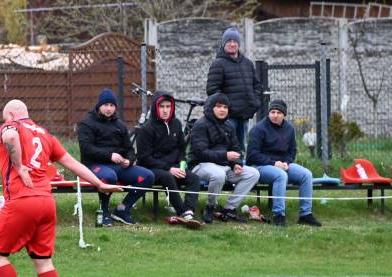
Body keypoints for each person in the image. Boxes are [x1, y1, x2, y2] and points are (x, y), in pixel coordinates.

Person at [0, 99, 121, 277]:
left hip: (22, 200)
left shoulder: (11, 125)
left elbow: (9, 137)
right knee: (43, 261)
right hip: (47, 203)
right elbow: (71, 163)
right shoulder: (45, 135)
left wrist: (18, 166)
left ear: (10, 115)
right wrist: (99, 183)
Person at [76, 89, 155, 226]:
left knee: (148, 176)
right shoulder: (86, 123)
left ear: (115, 107)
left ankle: (122, 209)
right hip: (94, 165)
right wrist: (110, 155)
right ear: (99, 105)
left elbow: (129, 149)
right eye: (105, 105)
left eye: (112, 105)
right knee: (110, 176)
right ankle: (104, 211)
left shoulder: (119, 125)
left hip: (118, 167)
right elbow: (86, 149)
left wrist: (129, 160)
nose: (108, 108)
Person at [246, 99, 322, 227]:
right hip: (260, 166)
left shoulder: (289, 129)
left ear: (284, 114)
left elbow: (292, 151)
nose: (275, 115)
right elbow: (252, 155)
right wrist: (274, 163)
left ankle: (305, 214)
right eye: (272, 112)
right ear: (269, 113)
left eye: (279, 113)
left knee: (306, 175)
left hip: (282, 165)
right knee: (281, 175)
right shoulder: (258, 129)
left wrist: (286, 162)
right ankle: (279, 215)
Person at [187, 92, 260, 224]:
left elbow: (236, 149)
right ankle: (210, 207)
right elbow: (201, 153)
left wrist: (236, 163)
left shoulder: (229, 126)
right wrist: (225, 155)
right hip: (200, 165)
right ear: (211, 107)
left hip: (224, 165)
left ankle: (229, 209)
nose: (222, 110)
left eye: (225, 107)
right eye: (219, 106)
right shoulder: (200, 124)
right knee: (218, 175)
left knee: (253, 174)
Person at [134, 91, 202, 228]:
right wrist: (169, 168)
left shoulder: (176, 124)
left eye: (168, 106)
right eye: (162, 106)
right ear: (155, 107)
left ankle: (189, 210)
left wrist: (182, 165)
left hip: (173, 167)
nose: (165, 110)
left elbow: (182, 150)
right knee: (168, 177)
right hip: (150, 169)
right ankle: (182, 212)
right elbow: (144, 157)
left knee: (194, 178)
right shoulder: (146, 129)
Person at [205, 26, 262, 150]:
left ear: (239, 44)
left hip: (245, 115)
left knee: (241, 148)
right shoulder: (218, 64)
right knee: (226, 148)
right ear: (223, 44)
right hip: (228, 118)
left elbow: (257, 85)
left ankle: (241, 163)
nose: (232, 44)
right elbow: (212, 90)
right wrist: (225, 108)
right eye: (229, 41)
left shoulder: (247, 63)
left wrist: (255, 102)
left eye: (235, 41)